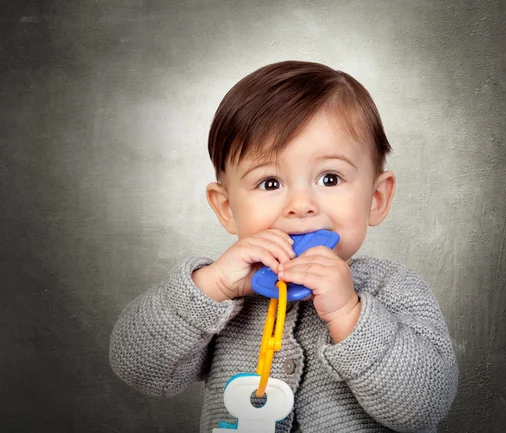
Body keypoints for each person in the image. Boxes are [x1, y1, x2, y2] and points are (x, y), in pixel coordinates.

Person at [109, 60, 458, 432]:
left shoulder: (393, 287)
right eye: (271, 183)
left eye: (329, 178)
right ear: (227, 208)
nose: (301, 204)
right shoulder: (225, 298)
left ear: (376, 198)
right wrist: (211, 287)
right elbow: (136, 366)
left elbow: (426, 405)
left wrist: (347, 314)